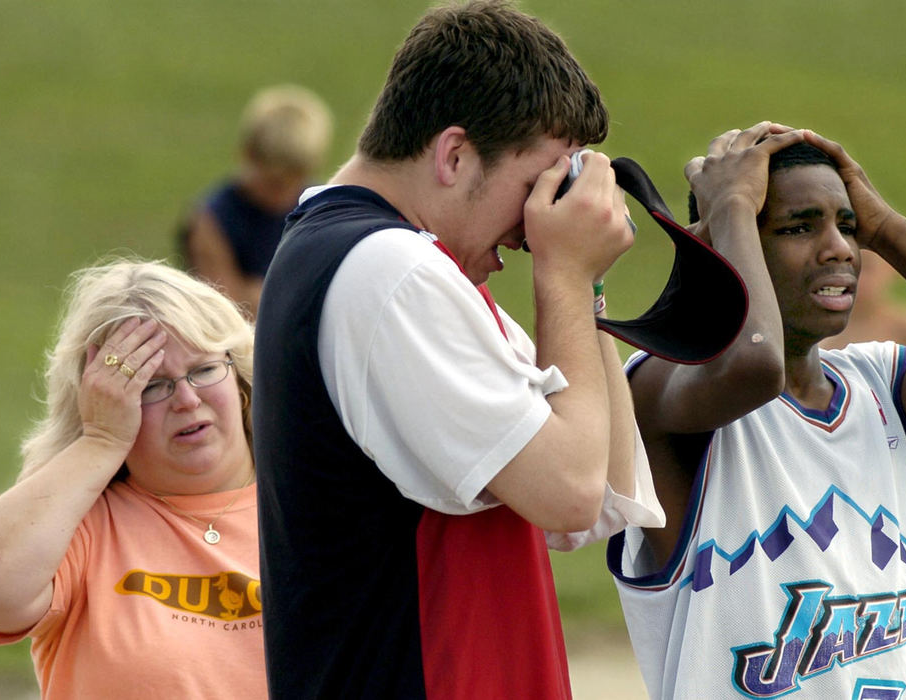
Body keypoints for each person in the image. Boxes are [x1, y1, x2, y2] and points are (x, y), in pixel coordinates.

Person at [250, 1, 666, 697]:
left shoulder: (370, 259)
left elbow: (604, 491)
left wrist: (581, 286)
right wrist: (564, 273)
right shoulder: (389, 273)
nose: (535, 222)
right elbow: (568, 493)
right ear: (453, 154)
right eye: (533, 185)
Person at [608, 125, 906, 698]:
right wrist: (727, 207)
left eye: (847, 227)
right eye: (798, 227)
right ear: (725, 243)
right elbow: (754, 368)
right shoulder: (662, 388)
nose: (839, 249)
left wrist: (891, 231)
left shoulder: (878, 383)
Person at [0, 259, 264, 698]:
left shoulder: (312, 500)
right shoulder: (78, 526)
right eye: (151, 385)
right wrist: (100, 441)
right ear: (102, 401)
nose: (188, 400)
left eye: (205, 369)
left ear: (241, 379)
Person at [180, 84, 333, 317]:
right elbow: (226, 312)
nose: (280, 194)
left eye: (292, 182)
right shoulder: (212, 221)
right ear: (246, 155)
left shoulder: (321, 210)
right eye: (272, 182)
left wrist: (259, 294)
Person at [820, 250, 906, 355]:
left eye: (868, 268)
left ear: (892, 269)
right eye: (846, 268)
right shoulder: (817, 329)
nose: (856, 278)